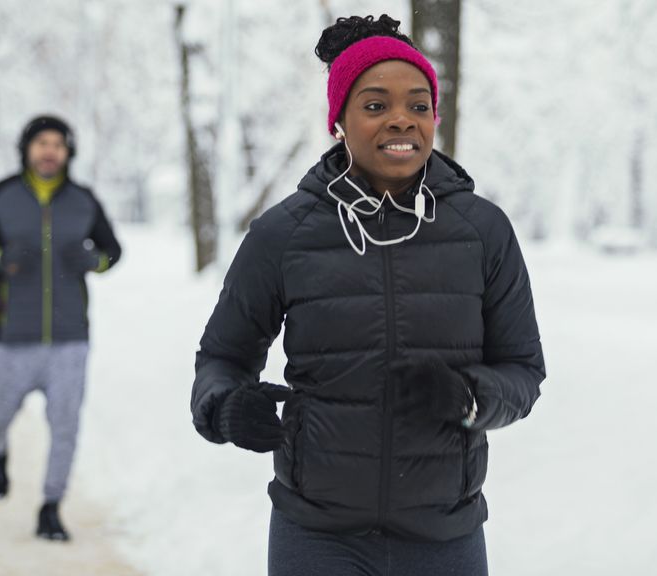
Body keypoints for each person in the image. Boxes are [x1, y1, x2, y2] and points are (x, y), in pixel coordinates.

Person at [191, 15, 545, 575]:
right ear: (340, 120)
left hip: (444, 536)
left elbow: (523, 370)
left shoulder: (483, 232)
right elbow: (222, 358)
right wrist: (227, 409)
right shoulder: (286, 234)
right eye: (376, 105)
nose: (401, 120)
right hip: (317, 536)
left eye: (419, 105)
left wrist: (471, 396)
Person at [0, 115, 122, 542]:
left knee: (65, 426)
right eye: (41, 143)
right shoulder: (0, 196)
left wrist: (93, 262)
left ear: (68, 152)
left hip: (70, 341)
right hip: (10, 339)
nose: (49, 151)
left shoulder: (83, 200)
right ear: (27, 148)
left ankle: (51, 506)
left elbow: (112, 251)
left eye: (58, 144)